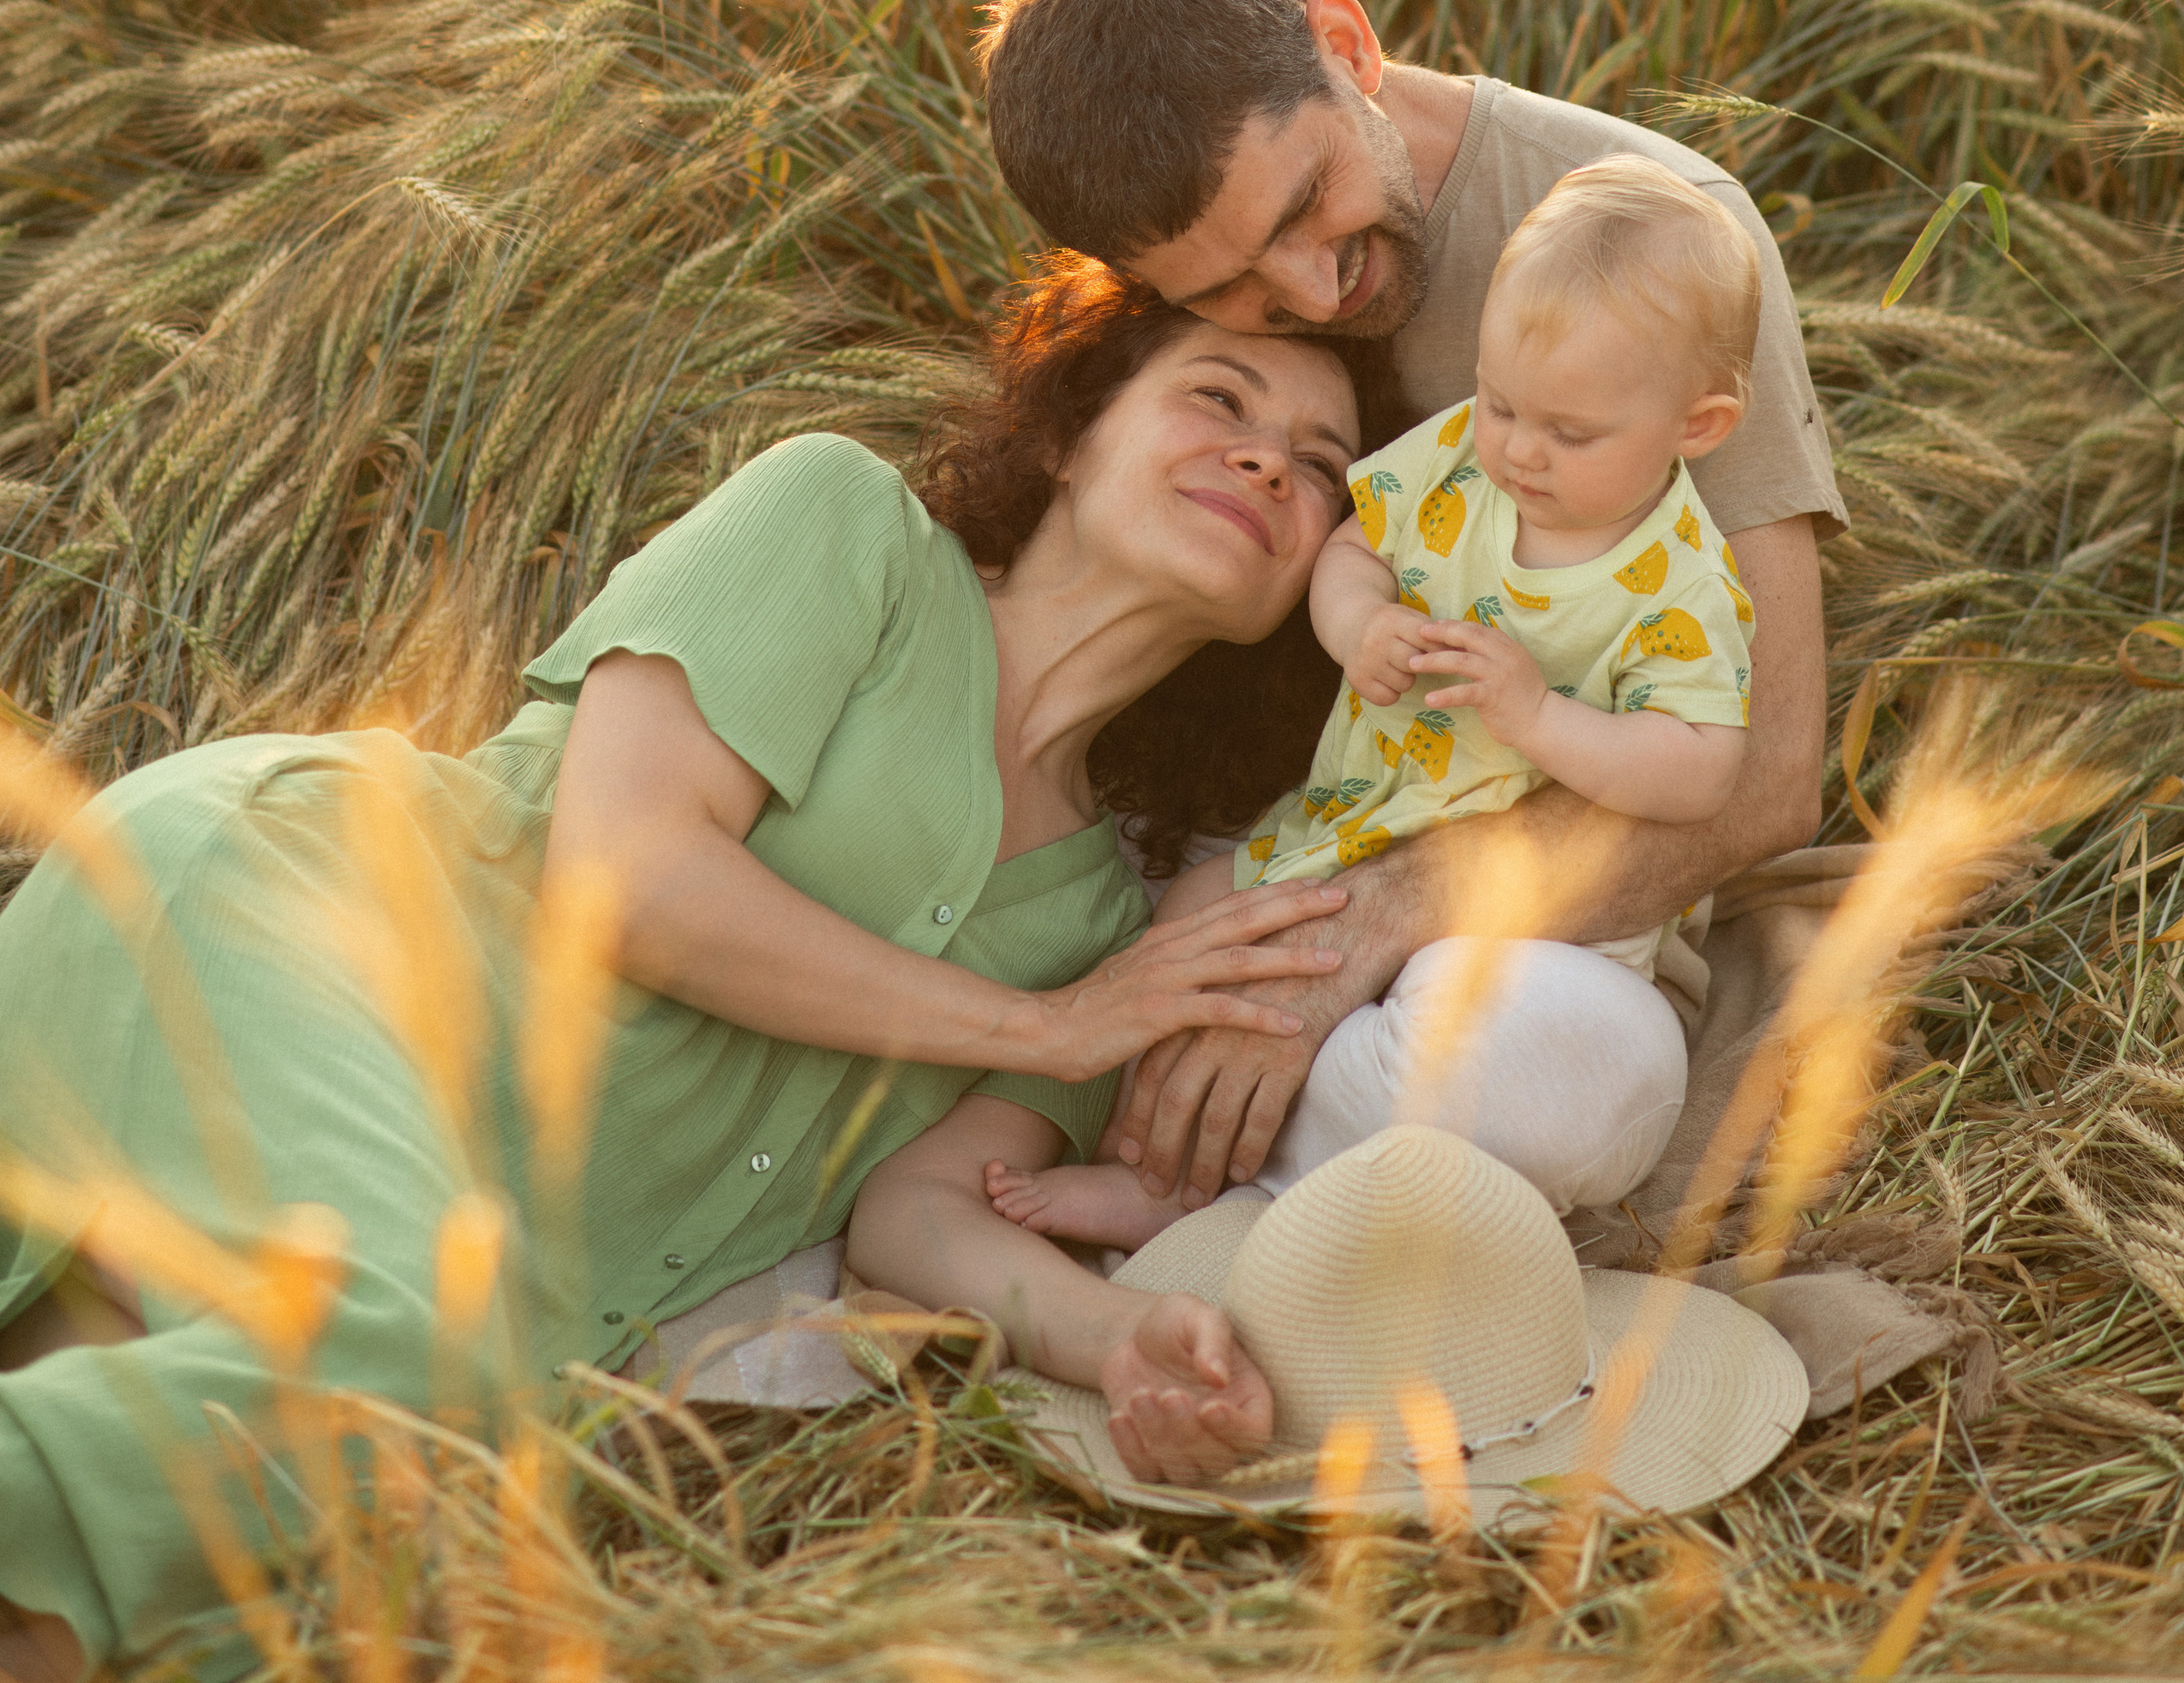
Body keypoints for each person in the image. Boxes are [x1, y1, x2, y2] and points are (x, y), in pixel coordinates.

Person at [0, 267, 1394, 1672]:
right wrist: (1046, 1026)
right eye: (1218, 398)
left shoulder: (1102, 926)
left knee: (203, 1609)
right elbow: (630, 879)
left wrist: (1122, 1336)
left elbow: (920, 1218)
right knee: (398, 1375)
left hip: (478, 1288)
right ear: (1070, 434)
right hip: (296, 931)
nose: (1271, 459)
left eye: (1324, 468)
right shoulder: (845, 527)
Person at [978, 0, 1844, 1213]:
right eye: (1235, 291)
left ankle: (1204, 1189)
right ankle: (1177, 1183)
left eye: (1307, 204)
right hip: (1261, 832)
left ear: (1345, 44)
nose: (1316, 295)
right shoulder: (1172, 251)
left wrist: (1354, 934)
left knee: (1564, 1076)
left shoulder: (1658, 247)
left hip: (1523, 892)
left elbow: (1769, 780)